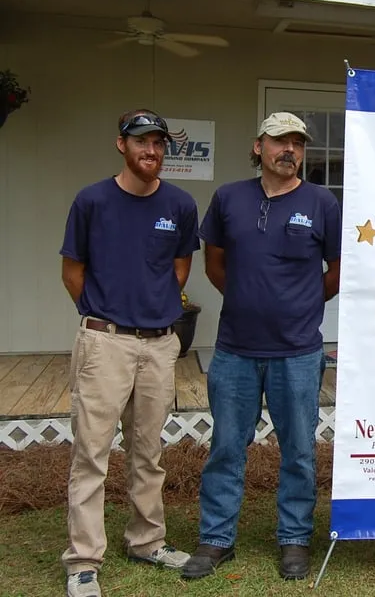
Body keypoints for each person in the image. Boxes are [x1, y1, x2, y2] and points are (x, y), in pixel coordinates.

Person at [182, 112, 342, 582]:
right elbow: (214, 262)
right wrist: (247, 297)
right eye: (279, 141)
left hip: (298, 351)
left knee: (298, 451)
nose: (289, 150)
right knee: (227, 448)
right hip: (235, 350)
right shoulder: (229, 198)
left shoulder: (321, 203)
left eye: (297, 142)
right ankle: (216, 539)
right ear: (259, 147)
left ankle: (294, 540)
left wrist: (301, 302)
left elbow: (335, 268)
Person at [59, 109, 199, 597]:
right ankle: (82, 561)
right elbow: (72, 270)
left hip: (159, 345)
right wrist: (104, 317)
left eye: (159, 143)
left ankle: (147, 540)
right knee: (91, 455)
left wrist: (151, 310)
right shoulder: (92, 200)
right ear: (121, 145)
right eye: (142, 142)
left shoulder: (180, 205)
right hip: (105, 342)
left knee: (148, 451)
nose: (152, 151)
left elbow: (178, 269)